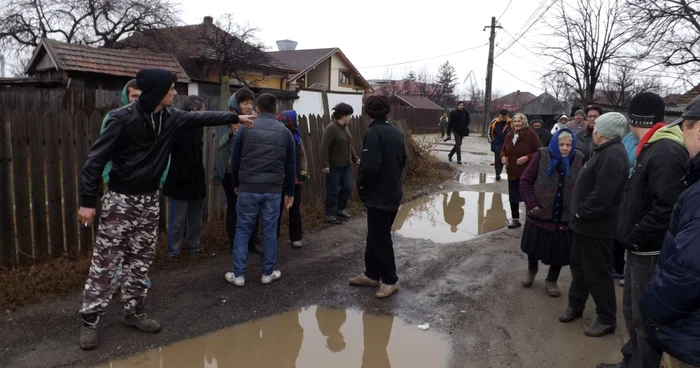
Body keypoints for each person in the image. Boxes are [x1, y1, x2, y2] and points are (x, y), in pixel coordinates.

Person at [77, 68, 254, 350]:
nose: (175, 93)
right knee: (106, 263)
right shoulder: (121, 119)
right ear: (159, 91)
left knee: (141, 260)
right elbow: (95, 160)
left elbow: (202, 118)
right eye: (172, 88)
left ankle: (133, 312)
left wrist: (236, 117)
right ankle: (90, 321)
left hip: (149, 200)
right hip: (120, 200)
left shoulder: (171, 117)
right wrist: (87, 202)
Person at [596, 95, 688, 368]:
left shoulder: (666, 151)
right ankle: (630, 361)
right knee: (631, 311)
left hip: (648, 250)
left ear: (635, 117)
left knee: (643, 317)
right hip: (638, 248)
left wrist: (634, 235)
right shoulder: (650, 146)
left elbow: (666, 207)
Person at [642, 95, 700, 368]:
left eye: (684, 129)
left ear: (698, 131)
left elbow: (690, 273)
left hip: (690, 334)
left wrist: (653, 308)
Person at [559, 112, 629, 337]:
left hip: (596, 227)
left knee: (597, 273)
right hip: (585, 227)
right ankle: (575, 306)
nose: (594, 130)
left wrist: (582, 213)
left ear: (604, 132)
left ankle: (607, 318)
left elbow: (604, 194)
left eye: (597, 127)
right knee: (579, 268)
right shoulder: (605, 152)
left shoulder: (613, 155)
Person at [225, 93, 296, 287]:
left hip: (248, 188)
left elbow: (236, 160)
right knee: (270, 231)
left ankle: (238, 275)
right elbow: (291, 166)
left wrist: (236, 185)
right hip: (273, 190)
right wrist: (290, 192)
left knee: (243, 230)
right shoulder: (285, 132)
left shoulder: (245, 129)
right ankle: (267, 272)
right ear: (276, 110)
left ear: (257, 110)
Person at [103, 80, 160, 292]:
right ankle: (117, 278)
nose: (138, 100)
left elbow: (160, 154)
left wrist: (158, 179)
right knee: (118, 238)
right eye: (134, 96)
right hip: (120, 188)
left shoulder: (154, 119)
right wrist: (107, 178)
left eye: (140, 96)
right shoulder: (115, 118)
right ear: (127, 97)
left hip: (146, 188)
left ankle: (137, 278)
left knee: (141, 240)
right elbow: (103, 152)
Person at [349, 95, 406, 299]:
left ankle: (390, 281)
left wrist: (362, 183)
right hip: (392, 191)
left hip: (379, 195)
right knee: (375, 234)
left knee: (381, 237)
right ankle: (371, 274)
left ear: (367, 114)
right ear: (388, 112)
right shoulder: (395, 131)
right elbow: (403, 160)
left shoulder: (373, 133)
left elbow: (370, 165)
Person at [520, 128, 584, 297]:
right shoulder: (542, 155)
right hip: (540, 213)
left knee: (560, 254)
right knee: (533, 248)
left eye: (568, 145)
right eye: (561, 144)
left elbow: (584, 186)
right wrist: (532, 204)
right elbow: (526, 181)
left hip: (564, 217)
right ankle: (531, 270)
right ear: (555, 143)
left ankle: (551, 279)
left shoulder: (579, 158)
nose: (565, 148)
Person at [213, 89, 262, 254]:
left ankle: (253, 242)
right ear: (237, 104)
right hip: (231, 174)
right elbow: (222, 148)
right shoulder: (228, 120)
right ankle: (234, 243)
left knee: (254, 208)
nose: (248, 106)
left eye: (250, 102)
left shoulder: (256, 119)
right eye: (244, 103)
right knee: (234, 208)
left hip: (252, 172)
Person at [163, 95, 208, 258]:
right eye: (202, 111)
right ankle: (173, 252)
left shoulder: (198, 128)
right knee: (177, 220)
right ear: (194, 111)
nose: (205, 114)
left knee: (196, 219)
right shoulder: (176, 126)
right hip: (179, 181)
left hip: (196, 180)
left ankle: (193, 248)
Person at [500, 113, 542, 229]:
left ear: (524, 122)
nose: (517, 123)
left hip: (527, 171)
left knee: (527, 195)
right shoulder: (509, 135)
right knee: (513, 196)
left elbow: (540, 151)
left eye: (519, 121)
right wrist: (503, 156)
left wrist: (527, 158)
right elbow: (503, 149)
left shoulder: (531, 134)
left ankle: (531, 219)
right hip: (512, 170)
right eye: (515, 121)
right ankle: (515, 219)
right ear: (512, 123)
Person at [320, 102, 360, 224]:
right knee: (332, 190)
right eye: (350, 115)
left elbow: (349, 144)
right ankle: (330, 214)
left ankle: (340, 209)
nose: (351, 117)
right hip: (334, 166)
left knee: (347, 187)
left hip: (346, 165)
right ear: (344, 115)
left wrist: (355, 158)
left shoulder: (345, 127)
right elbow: (324, 147)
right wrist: (325, 165)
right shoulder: (331, 128)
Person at [276, 110, 307, 248]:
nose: (298, 122)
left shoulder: (296, 136)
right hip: (278, 180)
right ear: (290, 120)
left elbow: (302, 156)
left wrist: (303, 170)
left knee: (295, 210)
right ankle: (273, 238)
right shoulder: (278, 135)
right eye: (297, 119)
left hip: (294, 180)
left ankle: (295, 238)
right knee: (275, 210)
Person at [615, 131, 641, 285]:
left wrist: (627, 174)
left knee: (631, 229)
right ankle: (618, 267)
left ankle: (627, 272)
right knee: (619, 227)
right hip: (622, 187)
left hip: (635, 189)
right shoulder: (629, 137)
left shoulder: (652, 141)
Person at [488, 109, 512, 181]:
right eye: (502, 115)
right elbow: (489, 131)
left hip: (507, 143)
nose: (504, 117)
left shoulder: (511, 122)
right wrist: (491, 140)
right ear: (500, 115)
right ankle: (497, 174)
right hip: (497, 143)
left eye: (505, 115)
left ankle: (509, 174)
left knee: (507, 159)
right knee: (498, 159)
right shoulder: (494, 122)